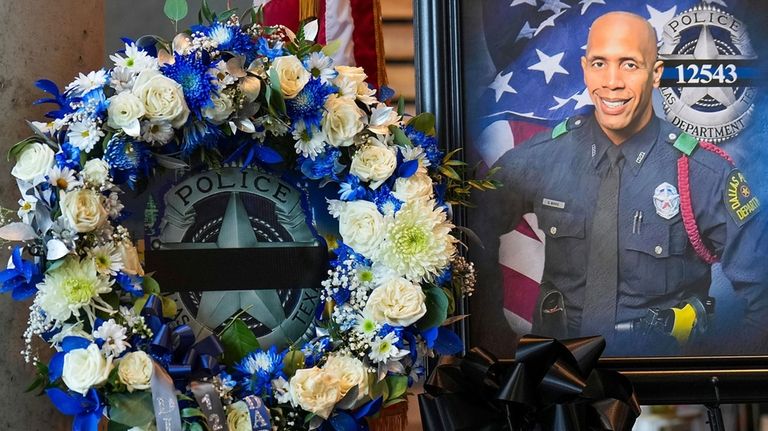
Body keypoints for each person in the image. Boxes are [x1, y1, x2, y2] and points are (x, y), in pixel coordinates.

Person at [474, 11, 768, 354]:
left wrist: (709, 375)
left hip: (663, 390)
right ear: (584, 68)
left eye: (629, 64)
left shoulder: (704, 173)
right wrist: (498, 344)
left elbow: (762, 296)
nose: (612, 81)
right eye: (599, 63)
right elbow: (472, 229)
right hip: (559, 385)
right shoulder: (541, 157)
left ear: (656, 74)